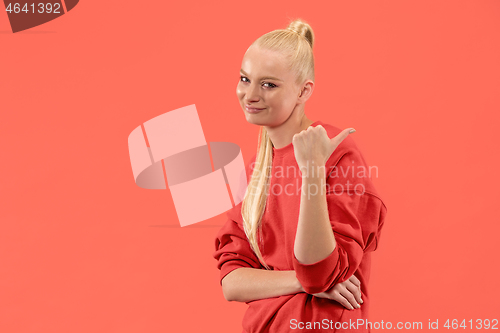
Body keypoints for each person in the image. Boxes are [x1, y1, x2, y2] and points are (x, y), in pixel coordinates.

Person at [213, 18, 388, 333]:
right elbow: (232, 281)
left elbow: (320, 273)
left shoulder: (334, 152)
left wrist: (311, 174)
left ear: (303, 91)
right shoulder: (257, 169)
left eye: (269, 84)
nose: (250, 95)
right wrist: (299, 281)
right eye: (244, 78)